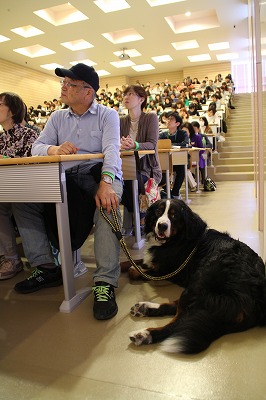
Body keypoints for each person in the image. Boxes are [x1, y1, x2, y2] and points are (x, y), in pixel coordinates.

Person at [12, 63, 123, 321]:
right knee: (23, 202)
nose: (63, 87)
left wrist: (106, 182)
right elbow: (36, 147)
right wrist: (53, 150)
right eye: (63, 83)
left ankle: (105, 282)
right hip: (63, 175)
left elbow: (112, 152)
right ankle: (46, 267)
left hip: (98, 173)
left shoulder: (108, 115)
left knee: (108, 204)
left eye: (69, 84)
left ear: (88, 92)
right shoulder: (58, 117)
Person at [0, 92, 39, 280]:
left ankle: (12, 259)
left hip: (26, 189)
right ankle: (8, 258)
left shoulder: (29, 134)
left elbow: (30, 166)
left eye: (0, 104)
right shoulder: (1, 138)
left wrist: (5, 159)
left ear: (12, 111)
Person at [120, 85, 161, 231]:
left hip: (147, 169)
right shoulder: (121, 121)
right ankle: (137, 216)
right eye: (125, 94)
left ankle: (139, 217)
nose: (126, 97)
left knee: (132, 182)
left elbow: (152, 144)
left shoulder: (151, 118)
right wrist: (121, 145)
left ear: (141, 99)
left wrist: (135, 145)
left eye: (130, 94)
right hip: (126, 167)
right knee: (116, 182)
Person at [159, 112, 189, 199]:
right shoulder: (163, 134)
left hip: (178, 160)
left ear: (177, 123)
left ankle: (175, 193)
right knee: (161, 170)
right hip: (166, 160)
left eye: (171, 119)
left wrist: (170, 145)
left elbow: (185, 144)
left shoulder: (182, 133)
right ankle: (167, 191)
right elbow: (159, 144)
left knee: (182, 169)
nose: (168, 121)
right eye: (168, 119)